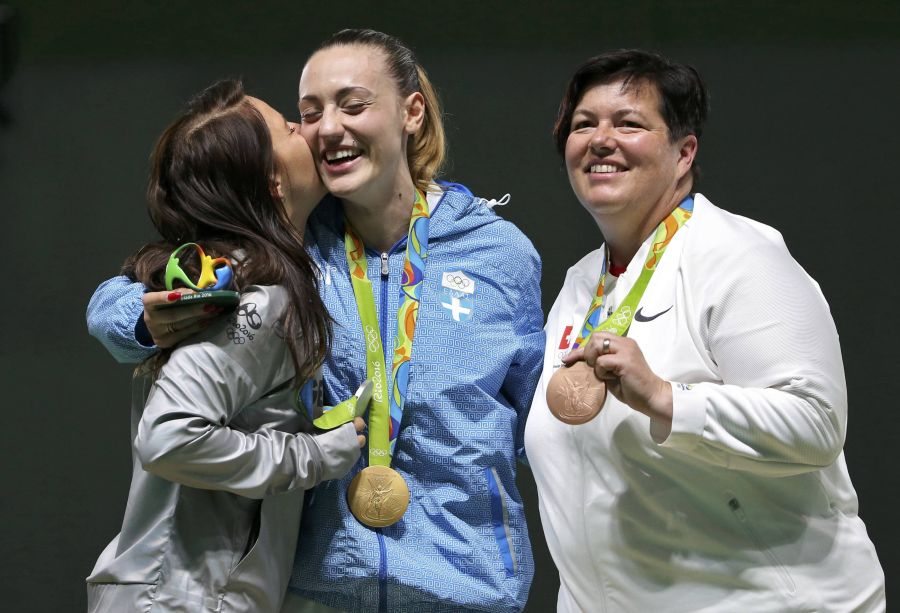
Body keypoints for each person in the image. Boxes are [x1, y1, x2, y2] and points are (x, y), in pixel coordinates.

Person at [86, 29, 544, 612]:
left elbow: (539, 430)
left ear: (411, 112)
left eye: (353, 105)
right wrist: (143, 322)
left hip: (467, 590)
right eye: (307, 114)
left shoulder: (496, 251)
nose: (327, 128)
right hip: (314, 593)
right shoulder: (290, 252)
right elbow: (131, 290)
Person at [524, 49, 885, 612]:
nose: (600, 139)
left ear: (684, 151)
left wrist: (669, 399)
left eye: (629, 123)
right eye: (583, 124)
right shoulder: (581, 285)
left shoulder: (738, 256)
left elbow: (815, 419)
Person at [85, 79, 366, 613]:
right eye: (288, 128)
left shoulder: (227, 275)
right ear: (273, 180)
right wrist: (313, 455)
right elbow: (168, 438)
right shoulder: (255, 298)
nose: (307, 131)